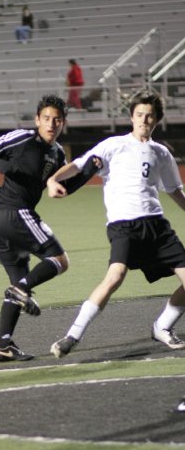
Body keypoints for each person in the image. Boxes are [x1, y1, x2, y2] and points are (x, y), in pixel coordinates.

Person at [47, 89, 185, 359]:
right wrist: (53, 180)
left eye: (150, 116)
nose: (144, 120)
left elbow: (176, 193)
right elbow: (77, 165)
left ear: (157, 120)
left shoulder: (161, 153)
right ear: (131, 117)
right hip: (124, 226)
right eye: (139, 115)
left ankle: (162, 326)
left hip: (157, 226)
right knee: (114, 277)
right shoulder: (113, 145)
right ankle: (72, 336)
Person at [0, 94, 100, 362]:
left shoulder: (57, 154)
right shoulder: (24, 137)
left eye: (57, 119)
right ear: (37, 120)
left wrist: (89, 171)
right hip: (12, 213)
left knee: (19, 286)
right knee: (59, 259)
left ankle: (3, 345)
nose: (51, 123)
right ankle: (20, 291)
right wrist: (5, 167)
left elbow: (62, 188)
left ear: (63, 123)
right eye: (46, 118)